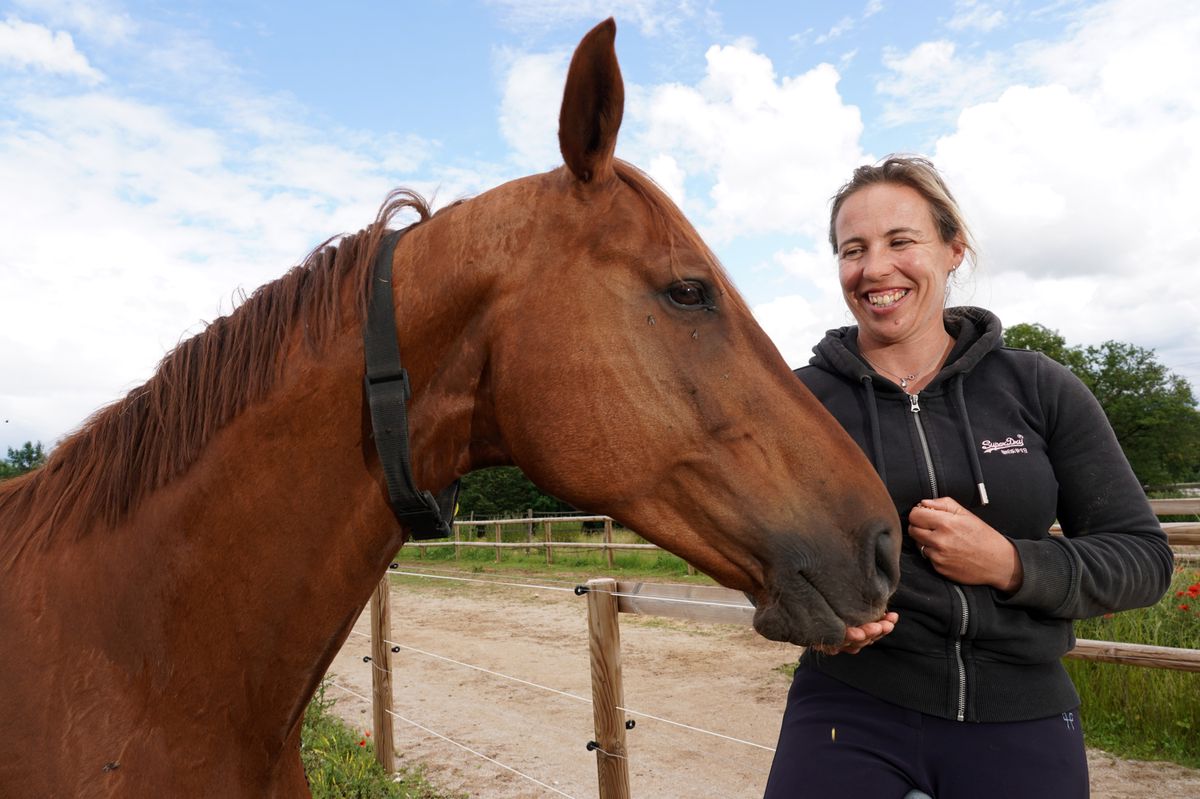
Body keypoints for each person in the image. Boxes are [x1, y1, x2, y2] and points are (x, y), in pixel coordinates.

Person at [762, 155, 1174, 799]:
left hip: (1022, 707)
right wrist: (811, 616)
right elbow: (754, 557)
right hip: (852, 705)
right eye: (853, 249)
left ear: (954, 249)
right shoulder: (798, 403)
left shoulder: (1039, 387)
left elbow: (1144, 558)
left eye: (901, 241)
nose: (875, 268)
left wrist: (1011, 562)